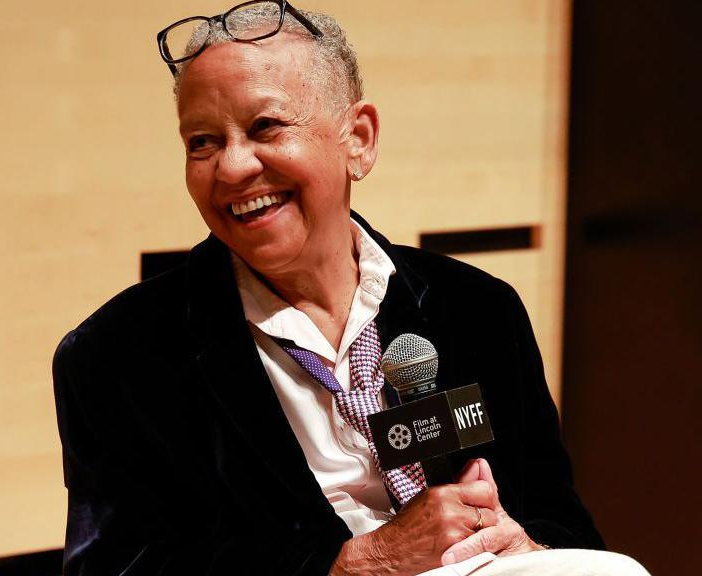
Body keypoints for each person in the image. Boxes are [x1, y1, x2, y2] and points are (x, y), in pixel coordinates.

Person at [51, 2, 650, 575]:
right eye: (201, 142)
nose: (232, 168)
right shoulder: (118, 358)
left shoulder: (475, 308)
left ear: (358, 139)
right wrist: (359, 564)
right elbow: (116, 566)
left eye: (265, 127)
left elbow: (562, 521)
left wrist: (525, 543)